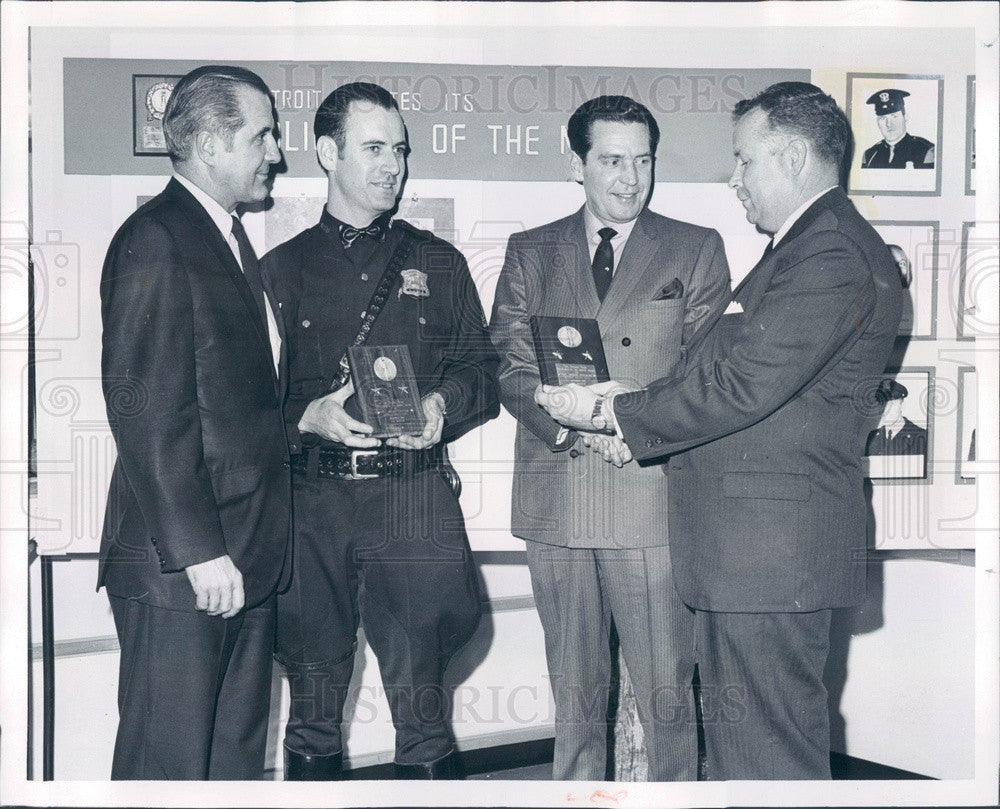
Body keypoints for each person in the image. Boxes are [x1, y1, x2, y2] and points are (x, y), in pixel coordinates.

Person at [536, 82, 902, 780]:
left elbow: (741, 386)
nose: (734, 179)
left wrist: (615, 413)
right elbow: (724, 370)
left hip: (768, 563)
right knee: (751, 757)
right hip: (752, 562)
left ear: (792, 156)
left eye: (744, 160)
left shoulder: (829, 255)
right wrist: (634, 396)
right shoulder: (804, 249)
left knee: (771, 763)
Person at [262, 82, 500, 781]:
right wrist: (304, 418)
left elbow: (481, 371)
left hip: (412, 500)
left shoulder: (439, 262)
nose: (392, 164)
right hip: (313, 505)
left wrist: (442, 407)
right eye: (374, 148)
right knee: (311, 704)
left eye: (399, 149)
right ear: (328, 152)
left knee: (424, 711)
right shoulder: (278, 271)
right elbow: (243, 407)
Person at [490, 95, 730, 781]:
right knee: (574, 700)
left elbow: (705, 371)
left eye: (643, 161)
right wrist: (572, 430)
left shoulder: (696, 247)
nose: (630, 178)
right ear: (578, 163)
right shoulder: (529, 251)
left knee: (667, 698)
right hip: (557, 500)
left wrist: (629, 426)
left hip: (648, 498)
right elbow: (509, 364)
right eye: (612, 160)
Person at [98, 65, 289, 780]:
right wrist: (201, 550)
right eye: (263, 134)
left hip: (241, 559)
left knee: (231, 767)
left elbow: (232, 402)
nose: (276, 151)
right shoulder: (156, 238)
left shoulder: (228, 241)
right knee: (167, 769)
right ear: (210, 143)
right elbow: (146, 411)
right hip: (186, 568)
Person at [861, 88, 935, 168]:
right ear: (878, 122)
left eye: (894, 116)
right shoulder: (870, 155)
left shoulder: (925, 150)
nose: (888, 124)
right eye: (883, 118)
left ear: (905, 118)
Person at [865, 379, 927, 456]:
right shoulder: (872, 437)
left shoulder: (920, 437)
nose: (886, 410)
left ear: (902, 405)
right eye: (882, 404)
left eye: (892, 404)